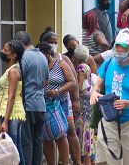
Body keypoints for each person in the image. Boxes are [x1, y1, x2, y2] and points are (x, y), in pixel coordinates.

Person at [90, 28, 129, 165]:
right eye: (117, 49)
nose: (119, 53)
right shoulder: (108, 63)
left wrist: (128, 103)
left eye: (122, 50)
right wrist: (94, 92)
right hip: (109, 119)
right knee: (106, 158)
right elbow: (97, 85)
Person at [40, 29, 83, 165]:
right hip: (46, 103)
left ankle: (75, 161)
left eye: (55, 42)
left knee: (67, 131)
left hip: (63, 102)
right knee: (48, 134)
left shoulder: (62, 60)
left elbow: (73, 81)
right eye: (50, 42)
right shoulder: (39, 60)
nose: (53, 45)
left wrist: (75, 100)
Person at [13, 31, 49, 165]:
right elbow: (46, 82)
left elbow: (17, 80)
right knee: (38, 141)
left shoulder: (23, 57)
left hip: (27, 105)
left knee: (26, 142)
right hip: (41, 105)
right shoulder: (42, 56)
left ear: (20, 43)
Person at [0, 40, 26, 165]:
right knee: (15, 149)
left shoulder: (13, 71)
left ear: (13, 55)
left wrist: (6, 121)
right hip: (10, 112)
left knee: (13, 149)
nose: (2, 52)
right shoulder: (11, 69)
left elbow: (11, 96)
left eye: (5, 50)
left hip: (13, 114)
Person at [73, 45, 96, 165]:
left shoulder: (81, 69)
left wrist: (74, 97)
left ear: (76, 56)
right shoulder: (87, 66)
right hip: (88, 103)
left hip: (83, 104)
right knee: (87, 131)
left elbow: (78, 85)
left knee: (81, 130)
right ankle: (88, 160)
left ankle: (83, 160)